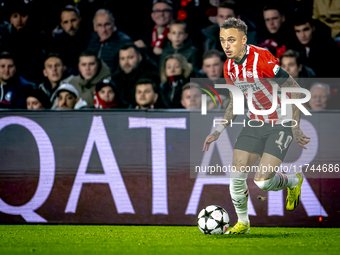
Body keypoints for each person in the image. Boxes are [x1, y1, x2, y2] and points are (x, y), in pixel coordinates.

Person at [202, 18, 310, 234]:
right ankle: (243, 223)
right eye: (223, 40)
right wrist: (218, 130)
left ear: (244, 40)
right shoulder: (229, 67)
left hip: (281, 122)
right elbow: (236, 101)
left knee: (261, 182)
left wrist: (295, 126)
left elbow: (295, 90)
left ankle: (292, 180)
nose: (226, 45)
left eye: (231, 40)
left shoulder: (262, 58)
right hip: (254, 123)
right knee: (236, 177)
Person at [87, 9, 131, 73]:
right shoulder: (92, 40)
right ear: (94, 27)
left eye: (107, 24)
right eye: (99, 25)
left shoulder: (124, 41)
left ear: (113, 24)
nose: (104, 30)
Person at [50, 5, 91, 74]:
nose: (70, 25)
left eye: (73, 20)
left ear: (80, 19)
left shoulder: (90, 38)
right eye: (66, 22)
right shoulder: (56, 43)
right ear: (61, 24)